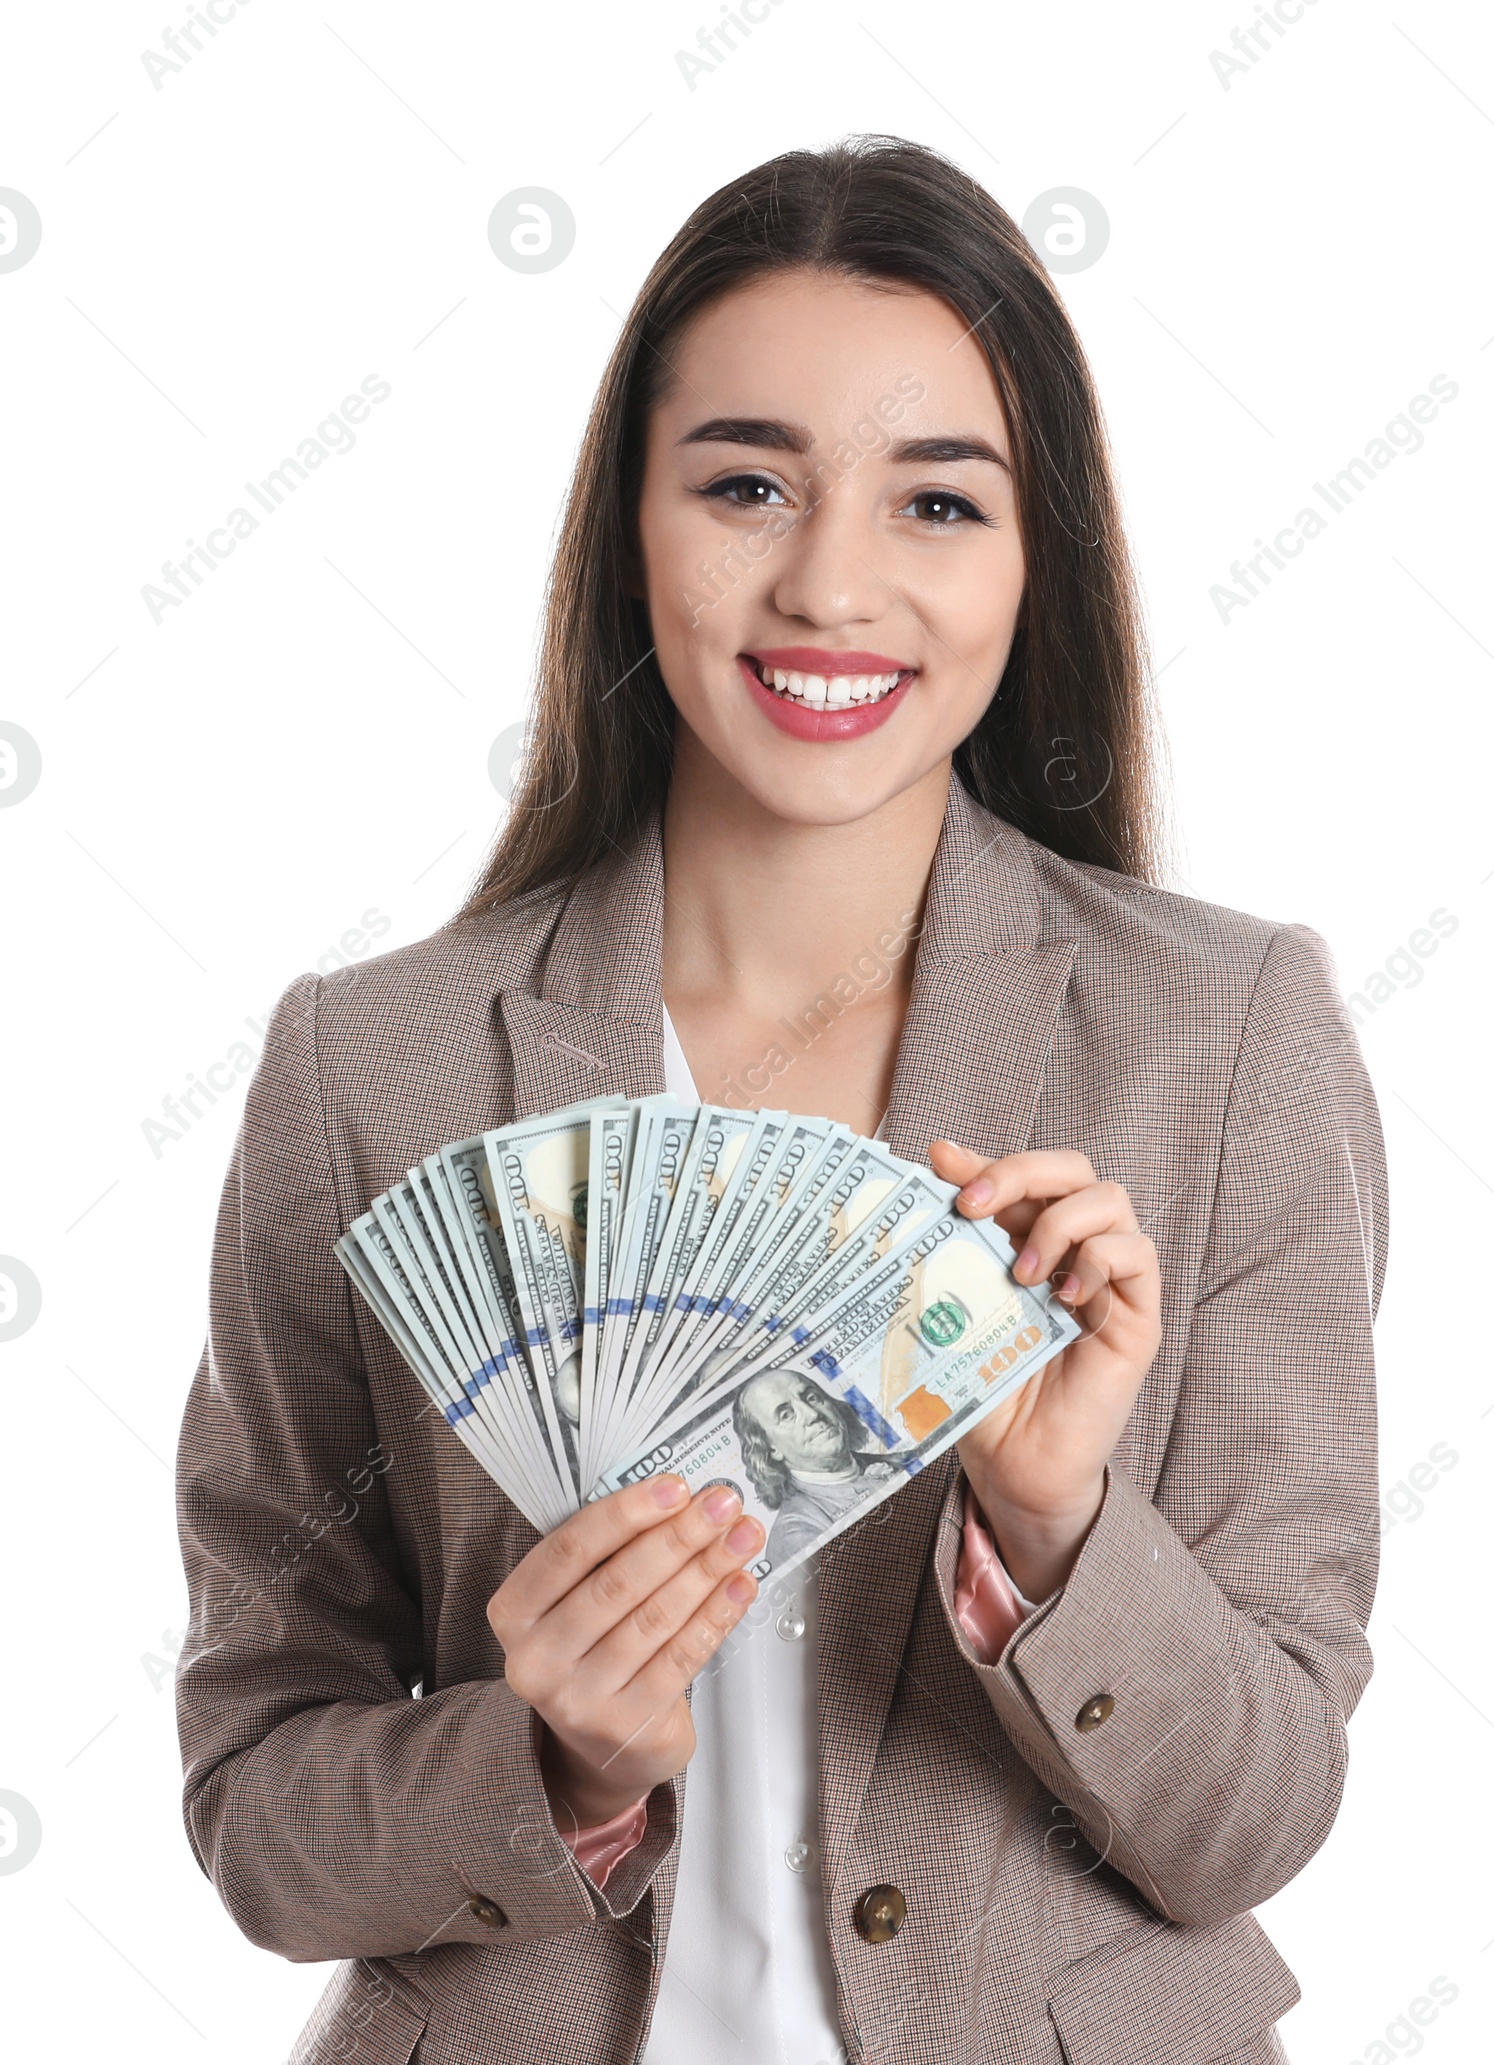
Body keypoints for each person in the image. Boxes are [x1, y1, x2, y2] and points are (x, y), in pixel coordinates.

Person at [175, 135, 1383, 2065]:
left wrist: (1059, 1529)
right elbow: (257, 1808)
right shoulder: (369, 1070)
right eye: (746, 484)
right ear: (627, 527)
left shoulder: (1227, 1036)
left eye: (937, 501)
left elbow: (1259, 1815)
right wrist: (551, 1759)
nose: (832, 585)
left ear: (1031, 554)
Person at [731, 1367, 909, 1566]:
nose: (812, 1414)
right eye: (786, 1415)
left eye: (812, 1398)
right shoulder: (794, 1533)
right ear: (771, 1449)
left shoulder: (903, 1461)